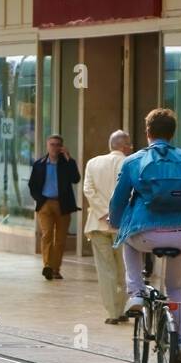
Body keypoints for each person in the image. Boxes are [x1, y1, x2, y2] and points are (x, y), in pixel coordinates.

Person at [109, 108, 181, 363]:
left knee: (127, 241)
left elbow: (118, 201)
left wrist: (116, 224)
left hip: (144, 233)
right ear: (172, 132)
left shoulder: (133, 162)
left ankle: (137, 294)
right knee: (175, 288)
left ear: (147, 132)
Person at [83, 130, 132, 324]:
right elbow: (133, 192)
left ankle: (113, 312)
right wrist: (115, 213)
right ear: (124, 146)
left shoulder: (93, 163)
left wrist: (104, 211)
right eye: (130, 146)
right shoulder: (130, 163)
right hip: (123, 225)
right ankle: (122, 309)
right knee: (124, 269)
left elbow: (88, 189)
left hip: (98, 223)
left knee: (106, 270)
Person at [28, 134, 80, 279]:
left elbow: (76, 179)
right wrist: (39, 199)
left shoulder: (67, 163)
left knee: (61, 239)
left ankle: (56, 268)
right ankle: (47, 266)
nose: (55, 148)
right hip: (45, 204)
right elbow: (32, 185)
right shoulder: (39, 164)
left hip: (62, 204)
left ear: (62, 147)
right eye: (52, 144)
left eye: (58, 145)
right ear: (47, 146)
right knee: (47, 235)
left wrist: (69, 159)